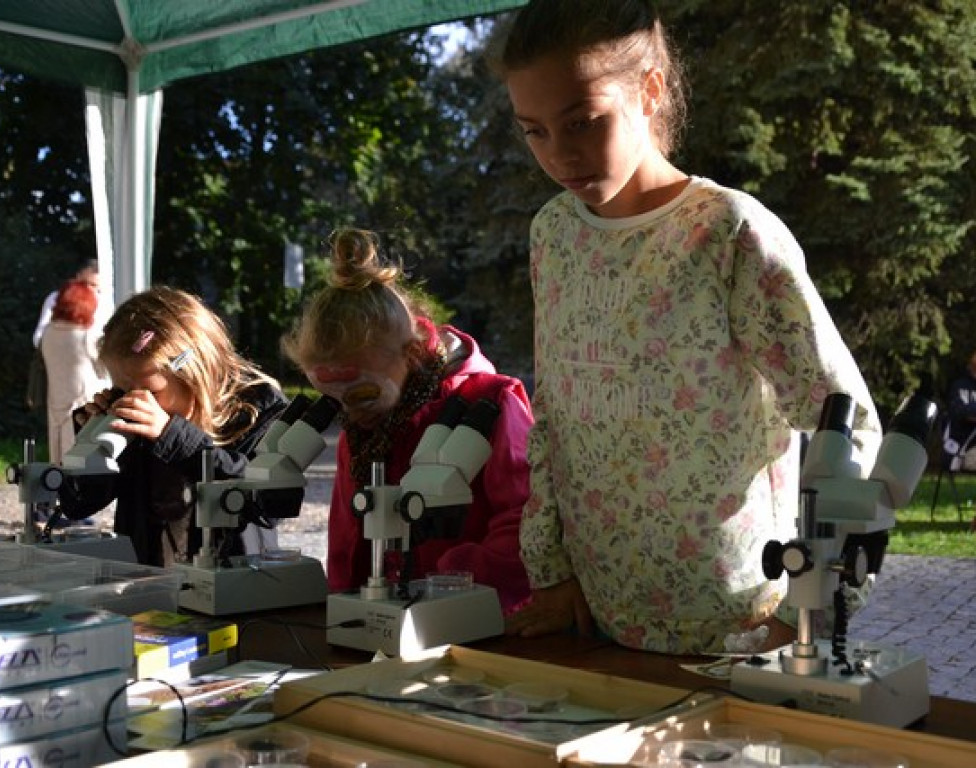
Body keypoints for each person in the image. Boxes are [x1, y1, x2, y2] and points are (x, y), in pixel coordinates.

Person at [485, 0, 882, 653]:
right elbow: (555, 415)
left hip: (742, 631)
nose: (560, 155)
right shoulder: (552, 234)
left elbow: (849, 425)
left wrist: (814, 607)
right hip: (599, 626)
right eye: (534, 131)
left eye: (582, 122)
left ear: (649, 90)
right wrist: (552, 574)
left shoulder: (728, 232)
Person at [282, 228, 533, 614]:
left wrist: (446, 584)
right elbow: (348, 537)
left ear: (413, 353)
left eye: (361, 392)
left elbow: (524, 523)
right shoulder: (364, 426)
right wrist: (345, 608)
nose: (349, 410)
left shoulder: (489, 404)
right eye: (333, 399)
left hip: (473, 616)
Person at [61, 286, 289, 567]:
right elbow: (78, 505)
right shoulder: (133, 420)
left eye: (149, 392)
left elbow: (269, 501)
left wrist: (173, 436)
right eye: (122, 389)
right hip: (151, 579)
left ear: (193, 373)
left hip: (232, 579)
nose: (135, 401)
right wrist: (91, 446)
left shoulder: (255, 407)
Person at [39, 279, 111, 464]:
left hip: (55, 404)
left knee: (57, 459)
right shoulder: (87, 336)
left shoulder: (47, 333)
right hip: (84, 405)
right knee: (82, 461)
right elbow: (105, 371)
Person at [32, 257, 108, 348]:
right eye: (85, 283)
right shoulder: (56, 298)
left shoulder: (104, 304)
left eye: (94, 286)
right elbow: (39, 337)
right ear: (78, 277)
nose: (89, 289)